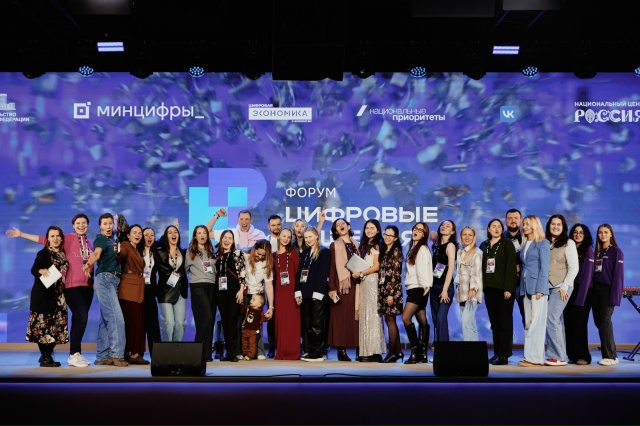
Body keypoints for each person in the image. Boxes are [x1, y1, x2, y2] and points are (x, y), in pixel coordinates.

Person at [7, 214, 93, 367]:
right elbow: (39, 250)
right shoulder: (52, 247)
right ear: (73, 225)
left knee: (58, 325)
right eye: (78, 223)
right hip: (50, 292)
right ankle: (59, 355)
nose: (81, 225)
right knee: (48, 325)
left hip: (63, 293)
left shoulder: (85, 244)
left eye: (84, 222)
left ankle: (53, 355)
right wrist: (21, 235)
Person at [82, 213, 128, 367]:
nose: (108, 226)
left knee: (106, 320)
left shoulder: (113, 240)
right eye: (105, 224)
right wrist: (88, 263)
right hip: (105, 279)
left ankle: (102, 356)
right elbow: (96, 253)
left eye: (110, 223)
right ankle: (117, 355)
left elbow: (124, 227)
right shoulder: (101, 239)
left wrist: (117, 218)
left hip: (113, 281)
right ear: (100, 226)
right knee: (116, 318)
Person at [26, 226, 69, 367]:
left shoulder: (63, 254)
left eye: (58, 236)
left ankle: (46, 355)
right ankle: (45, 357)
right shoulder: (44, 253)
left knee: (57, 326)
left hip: (59, 296)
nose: (55, 238)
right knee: (42, 327)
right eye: (52, 236)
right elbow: (33, 269)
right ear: (48, 239)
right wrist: (41, 270)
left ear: (61, 238)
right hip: (43, 295)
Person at [480, 218, 517, 366]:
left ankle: (504, 354)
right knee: (494, 323)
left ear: (502, 230)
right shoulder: (483, 245)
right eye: (493, 226)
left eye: (499, 227)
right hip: (489, 289)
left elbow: (511, 268)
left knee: (504, 322)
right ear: (488, 229)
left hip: (503, 289)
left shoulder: (507, 244)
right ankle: (497, 352)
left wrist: (508, 288)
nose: (496, 229)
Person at [544, 214, 579, 366]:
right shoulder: (545, 242)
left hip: (562, 286)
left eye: (559, 224)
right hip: (548, 287)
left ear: (563, 227)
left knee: (551, 318)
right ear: (549, 225)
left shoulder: (569, 243)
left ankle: (557, 356)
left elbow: (574, 267)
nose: (556, 227)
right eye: (553, 224)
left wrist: (565, 286)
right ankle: (560, 354)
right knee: (557, 321)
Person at [350, 219, 385, 362]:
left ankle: (375, 351)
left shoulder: (377, 245)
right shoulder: (365, 245)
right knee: (366, 315)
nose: (369, 230)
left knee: (373, 315)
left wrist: (361, 273)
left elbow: (376, 266)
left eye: (372, 228)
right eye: (367, 228)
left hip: (372, 280)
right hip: (365, 282)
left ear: (378, 230)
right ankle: (367, 351)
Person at [518, 215, 550, 367]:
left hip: (537, 288)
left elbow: (544, 268)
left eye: (527, 224)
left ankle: (536, 358)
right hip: (526, 287)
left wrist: (541, 289)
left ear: (535, 225)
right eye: (523, 224)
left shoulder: (543, 243)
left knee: (537, 323)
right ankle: (529, 356)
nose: (524, 227)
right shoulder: (525, 243)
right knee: (528, 323)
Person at [295, 227, 331, 361]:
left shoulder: (324, 252)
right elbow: (300, 273)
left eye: (310, 236)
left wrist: (318, 293)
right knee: (307, 324)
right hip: (305, 293)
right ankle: (310, 350)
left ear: (316, 236)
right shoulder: (305, 252)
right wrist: (297, 290)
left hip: (317, 294)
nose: (308, 239)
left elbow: (322, 274)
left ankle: (318, 352)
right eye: (306, 237)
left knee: (317, 324)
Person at [327, 218, 360, 361]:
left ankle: (360, 349)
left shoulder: (357, 245)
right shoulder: (334, 246)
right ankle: (341, 350)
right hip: (341, 286)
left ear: (348, 226)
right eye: (337, 225)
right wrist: (332, 287)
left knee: (355, 318)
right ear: (335, 230)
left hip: (356, 285)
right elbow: (332, 268)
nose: (340, 225)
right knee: (340, 318)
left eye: (343, 223)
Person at [592, 224, 625, 366]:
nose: (603, 235)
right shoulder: (597, 252)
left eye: (606, 232)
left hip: (608, 291)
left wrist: (615, 297)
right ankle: (611, 354)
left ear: (611, 234)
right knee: (599, 322)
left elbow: (618, 276)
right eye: (600, 232)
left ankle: (610, 356)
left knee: (605, 322)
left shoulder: (616, 251)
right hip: (596, 291)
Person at [117, 224, 149, 365]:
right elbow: (122, 253)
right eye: (134, 232)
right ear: (128, 235)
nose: (138, 235)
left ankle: (133, 353)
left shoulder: (137, 250)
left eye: (140, 233)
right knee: (131, 321)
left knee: (136, 322)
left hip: (138, 289)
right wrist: (118, 251)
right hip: (128, 288)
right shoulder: (125, 245)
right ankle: (132, 353)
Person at [185, 225, 217, 362]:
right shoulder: (190, 252)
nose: (202, 235)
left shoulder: (212, 250)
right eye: (199, 233)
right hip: (198, 286)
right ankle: (196, 349)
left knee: (210, 320)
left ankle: (206, 354)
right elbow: (185, 269)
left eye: (204, 232)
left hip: (212, 286)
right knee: (206, 317)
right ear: (195, 236)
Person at [402, 222, 433, 364]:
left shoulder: (422, 249)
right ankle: (423, 353)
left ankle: (415, 351)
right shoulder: (414, 247)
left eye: (420, 230)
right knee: (422, 320)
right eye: (415, 229)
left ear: (424, 234)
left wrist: (426, 285)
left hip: (419, 287)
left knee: (406, 318)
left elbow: (422, 269)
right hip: (415, 287)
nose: (416, 231)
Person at [214, 229, 247, 362]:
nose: (227, 240)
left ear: (233, 241)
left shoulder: (238, 254)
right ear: (221, 239)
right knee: (224, 322)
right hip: (220, 292)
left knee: (232, 321)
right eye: (225, 238)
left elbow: (242, 273)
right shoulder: (217, 255)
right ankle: (227, 351)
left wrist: (241, 290)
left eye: (230, 238)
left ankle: (233, 353)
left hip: (234, 291)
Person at [565, 224, 595, 365]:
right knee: (569, 323)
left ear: (585, 235)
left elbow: (587, 276)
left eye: (581, 233)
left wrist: (581, 298)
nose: (577, 235)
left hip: (583, 291)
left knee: (579, 324)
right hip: (570, 290)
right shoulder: (569, 248)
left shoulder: (588, 250)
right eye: (575, 232)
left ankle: (584, 356)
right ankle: (572, 354)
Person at [240, 239, 274, 359]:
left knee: (256, 326)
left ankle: (259, 351)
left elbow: (269, 286)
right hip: (245, 294)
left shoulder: (266, 264)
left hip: (257, 296)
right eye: (258, 253)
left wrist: (271, 307)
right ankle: (243, 351)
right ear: (254, 249)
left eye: (263, 255)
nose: (260, 257)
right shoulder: (244, 257)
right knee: (243, 324)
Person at [155, 225, 188, 343]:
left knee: (180, 324)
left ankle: (177, 351)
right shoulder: (159, 252)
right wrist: (163, 237)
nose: (173, 234)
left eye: (175, 232)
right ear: (165, 236)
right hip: (165, 292)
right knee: (168, 323)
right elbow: (152, 244)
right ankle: (166, 350)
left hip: (180, 290)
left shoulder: (184, 251)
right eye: (170, 233)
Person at [273, 229, 301, 360]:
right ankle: (282, 352)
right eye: (284, 236)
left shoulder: (293, 254)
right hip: (279, 294)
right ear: (279, 236)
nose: (286, 239)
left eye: (289, 237)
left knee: (292, 323)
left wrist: (298, 292)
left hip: (291, 293)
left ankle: (293, 352)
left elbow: (298, 274)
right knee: (281, 323)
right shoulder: (273, 256)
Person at [378, 225, 404, 363]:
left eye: (390, 235)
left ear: (396, 238)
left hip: (392, 291)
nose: (387, 237)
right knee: (388, 320)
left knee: (390, 320)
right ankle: (398, 351)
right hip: (383, 289)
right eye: (385, 234)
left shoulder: (396, 251)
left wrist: (391, 294)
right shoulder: (384, 250)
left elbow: (395, 274)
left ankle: (393, 352)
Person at [430, 220, 457, 343]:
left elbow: (451, 268)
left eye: (448, 226)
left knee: (441, 318)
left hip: (445, 287)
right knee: (436, 319)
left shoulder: (450, 246)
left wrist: (445, 289)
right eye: (442, 225)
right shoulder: (437, 245)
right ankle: (440, 347)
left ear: (453, 231)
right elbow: (432, 234)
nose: (444, 227)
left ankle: (444, 349)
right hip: (434, 286)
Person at [455, 226, 483, 341]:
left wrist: (473, 289)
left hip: (472, 292)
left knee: (466, 321)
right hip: (461, 291)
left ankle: (468, 348)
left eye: (470, 235)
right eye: (464, 234)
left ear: (474, 237)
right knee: (469, 322)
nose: (467, 237)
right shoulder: (460, 252)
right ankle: (474, 348)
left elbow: (476, 272)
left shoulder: (477, 252)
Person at [138, 227, 161, 357]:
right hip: (137, 289)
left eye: (152, 234)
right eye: (146, 234)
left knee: (153, 323)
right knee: (139, 322)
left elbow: (166, 240)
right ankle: (138, 354)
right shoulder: (136, 251)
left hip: (150, 289)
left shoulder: (155, 253)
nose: (149, 237)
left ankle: (156, 354)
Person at [504, 208, 525, 332]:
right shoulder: (500, 238)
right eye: (510, 218)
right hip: (505, 285)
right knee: (505, 319)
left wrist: (520, 267)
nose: (513, 221)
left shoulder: (527, 237)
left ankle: (530, 343)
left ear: (520, 220)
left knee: (527, 318)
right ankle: (506, 344)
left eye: (516, 218)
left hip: (523, 285)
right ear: (506, 220)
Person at [265, 214, 282, 358]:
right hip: (270, 282)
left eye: (278, 224)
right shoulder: (265, 243)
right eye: (273, 225)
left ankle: (288, 345)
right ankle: (272, 347)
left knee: (288, 316)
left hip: (286, 284)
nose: (276, 227)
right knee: (272, 315)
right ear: (268, 227)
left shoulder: (288, 241)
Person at [240, 293, 268, 360]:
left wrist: (266, 317)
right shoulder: (248, 308)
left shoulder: (259, 312)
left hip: (253, 332)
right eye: (251, 299)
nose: (251, 301)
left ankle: (250, 355)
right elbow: (241, 311)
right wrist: (242, 306)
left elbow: (263, 319)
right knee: (244, 343)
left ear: (259, 304)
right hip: (245, 329)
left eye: (253, 300)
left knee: (252, 344)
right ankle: (245, 353)